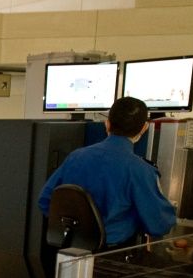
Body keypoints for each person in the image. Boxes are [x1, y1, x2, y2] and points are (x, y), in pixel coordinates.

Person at [38, 96, 176, 247]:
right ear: (144, 128)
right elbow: (159, 224)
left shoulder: (76, 157)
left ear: (107, 124)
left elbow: (45, 200)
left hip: (68, 249)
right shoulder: (141, 170)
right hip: (111, 256)